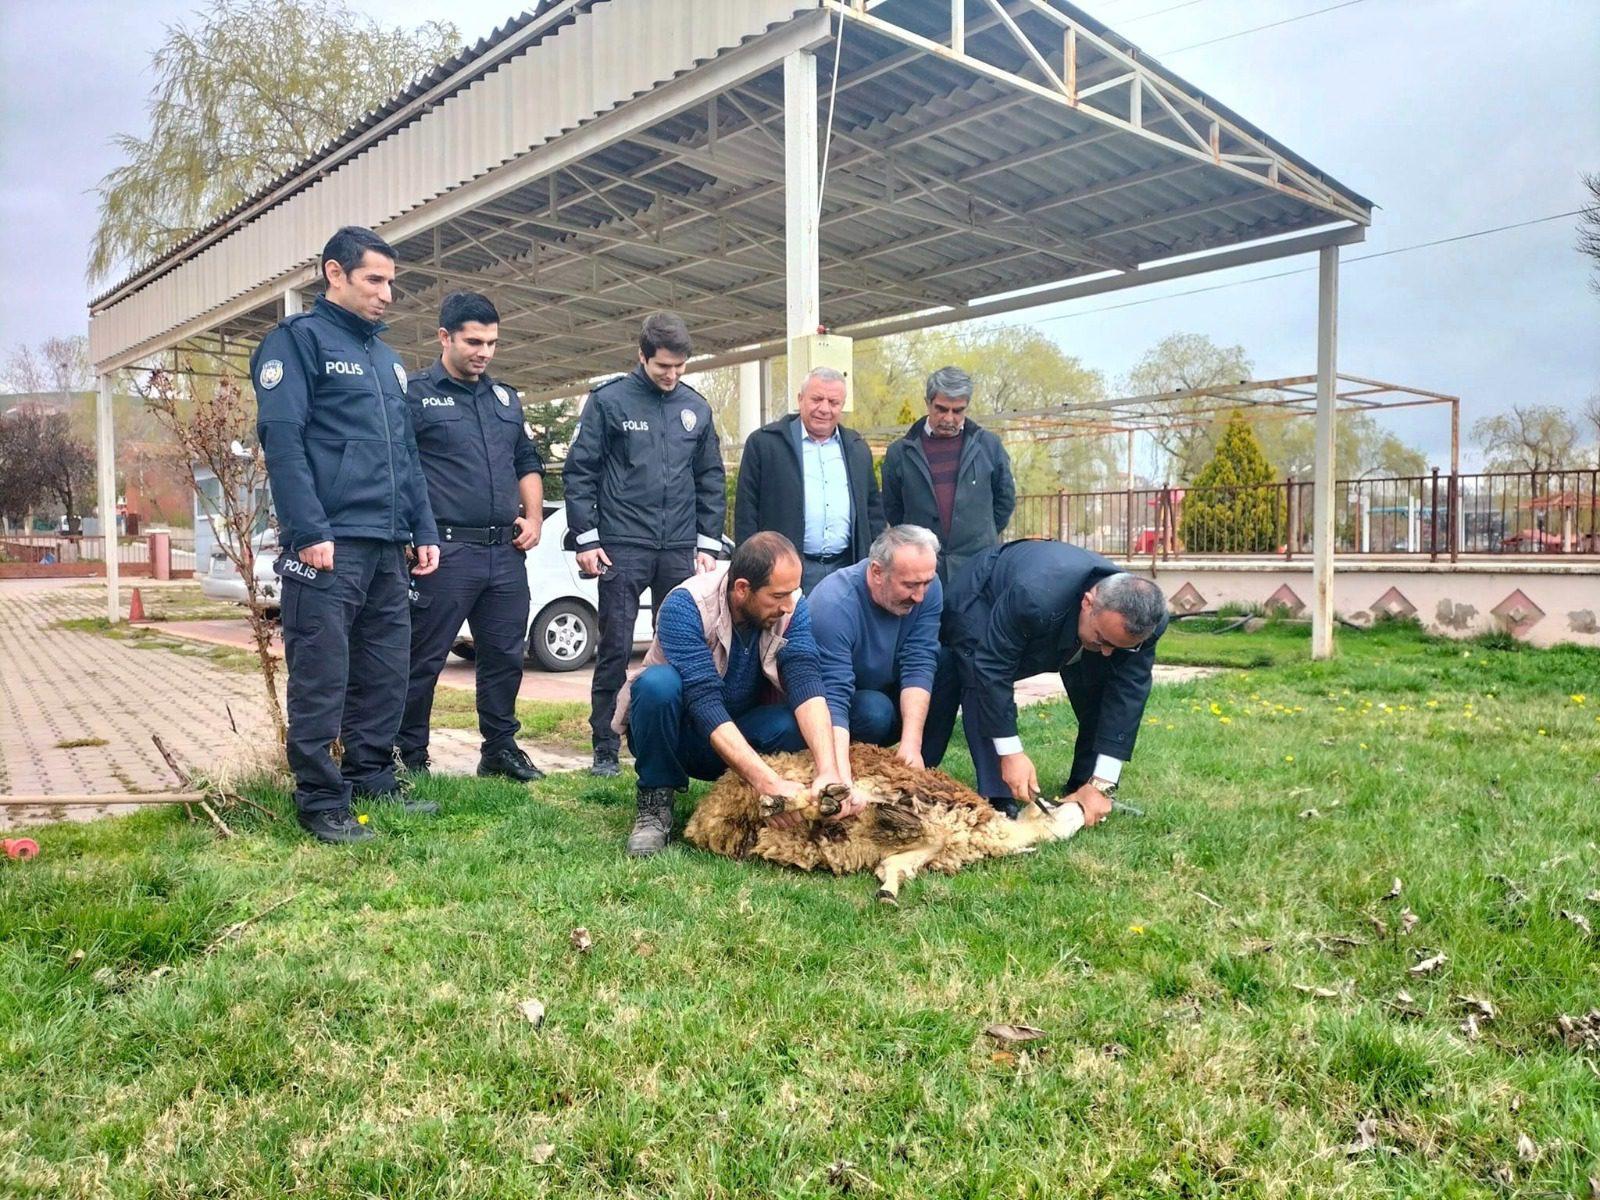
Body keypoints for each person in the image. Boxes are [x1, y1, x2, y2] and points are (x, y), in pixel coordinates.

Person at [252, 225, 439, 844]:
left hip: (388, 545)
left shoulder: (387, 361)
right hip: (329, 544)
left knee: (386, 671)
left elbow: (405, 454)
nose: (388, 294)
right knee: (323, 672)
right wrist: (308, 529)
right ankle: (320, 799)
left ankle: (371, 779)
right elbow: (283, 442)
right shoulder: (296, 343)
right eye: (374, 280)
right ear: (334, 274)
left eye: (392, 283)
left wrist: (423, 529)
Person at [613, 532, 854, 857]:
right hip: (679, 736)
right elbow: (704, 701)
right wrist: (767, 780)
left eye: (792, 593)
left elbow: (806, 682)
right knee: (657, 684)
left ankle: (754, 800)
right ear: (742, 589)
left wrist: (829, 770)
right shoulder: (686, 604)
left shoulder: (791, 609)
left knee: (792, 722)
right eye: (778, 595)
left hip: (740, 730)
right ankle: (655, 805)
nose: (787, 606)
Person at [564, 311, 726, 778]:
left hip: (679, 548)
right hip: (621, 545)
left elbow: (710, 477)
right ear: (642, 356)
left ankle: (671, 735)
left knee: (683, 645)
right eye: (662, 367)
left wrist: (707, 544)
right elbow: (581, 471)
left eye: (679, 367)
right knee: (615, 645)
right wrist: (586, 538)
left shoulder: (696, 407)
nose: (671, 376)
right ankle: (604, 745)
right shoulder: (609, 400)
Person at [396, 292, 546, 784]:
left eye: (492, 343)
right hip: (443, 551)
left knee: (504, 655)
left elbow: (526, 460)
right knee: (423, 658)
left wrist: (534, 517)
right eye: (473, 341)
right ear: (445, 337)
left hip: (504, 552)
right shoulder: (415, 395)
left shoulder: (505, 398)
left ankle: (499, 748)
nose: (483, 352)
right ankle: (409, 754)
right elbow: (403, 469)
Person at [924, 541, 1168, 820]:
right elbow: (992, 671)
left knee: (1103, 682)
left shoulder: (1149, 621)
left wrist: (1102, 783)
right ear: (1088, 603)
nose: (1107, 652)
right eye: (1102, 639)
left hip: (1058, 608)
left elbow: (1127, 696)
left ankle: (1085, 789)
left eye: (1119, 646)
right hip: (983, 597)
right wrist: (1011, 753)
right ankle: (999, 794)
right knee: (975, 674)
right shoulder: (1033, 595)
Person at [733, 366, 885, 594]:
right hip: (783, 571)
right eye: (817, 399)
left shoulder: (856, 447)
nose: (824, 409)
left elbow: (873, 511)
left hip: (847, 568)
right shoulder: (765, 444)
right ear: (800, 399)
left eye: (833, 402)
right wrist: (749, 567)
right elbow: (746, 511)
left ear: (842, 406)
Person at [807, 524, 942, 780]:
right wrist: (838, 773)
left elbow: (920, 659)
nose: (920, 596)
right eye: (911, 585)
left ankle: (919, 770)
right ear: (877, 572)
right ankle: (854, 769)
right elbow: (833, 695)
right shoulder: (833, 604)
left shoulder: (926, 585)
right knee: (874, 710)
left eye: (927, 583)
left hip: (890, 686)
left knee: (947, 664)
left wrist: (912, 743)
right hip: (848, 702)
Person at [880, 365, 1016, 582]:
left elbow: (1005, 501)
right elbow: (893, 509)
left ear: (967, 407)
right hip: (921, 571)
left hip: (977, 568)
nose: (949, 418)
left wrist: (978, 535)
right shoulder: (900, 453)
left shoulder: (989, 447)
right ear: (927, 403)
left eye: (958, 410)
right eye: (941, 409)